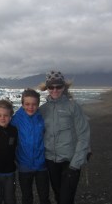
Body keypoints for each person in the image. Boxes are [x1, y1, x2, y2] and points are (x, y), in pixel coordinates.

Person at [39, 71, 91, 204]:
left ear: (64, 87)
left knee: (65, 199)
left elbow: (84, 135)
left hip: (70, 162)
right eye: (51, 87)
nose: (55, 90)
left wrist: (76, 164)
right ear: (47, 88)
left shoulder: (73, 107)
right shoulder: (43, 110)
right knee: (58, 195)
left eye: (58, 86)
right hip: (51, 160)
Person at [11, 88, 51, 204]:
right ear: (22, 104)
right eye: (27, 104)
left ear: (38, 104)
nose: (30, 107)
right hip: (24, 165)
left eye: (34, 104)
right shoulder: (16, 120)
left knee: (44, 196)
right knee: (27, 197)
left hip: (41, 164)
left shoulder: (41, 118)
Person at [0, 100, 18, 204]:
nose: (2, 118)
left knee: (10, 198)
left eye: (6, 115)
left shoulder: (14, 130)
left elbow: (16, 147)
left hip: (9, 172)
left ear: (10, 117)